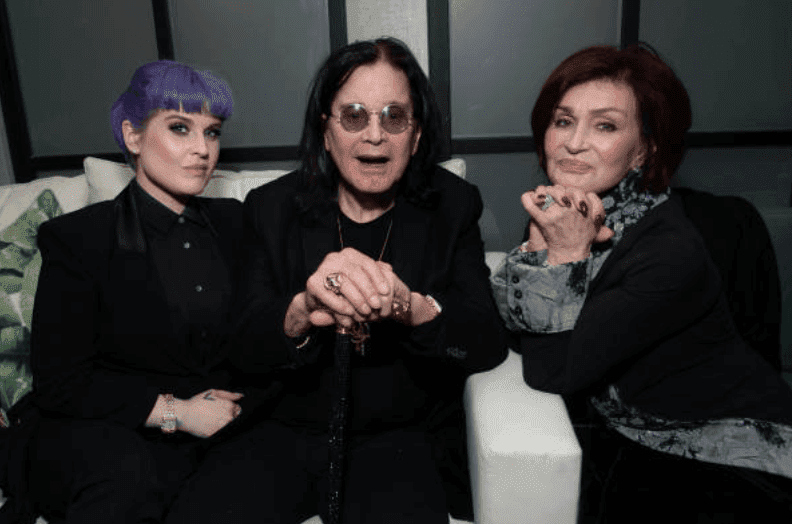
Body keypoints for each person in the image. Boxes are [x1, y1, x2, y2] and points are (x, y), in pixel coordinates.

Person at [165, 37, 507, 524]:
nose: (374, 136)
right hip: (280, 430)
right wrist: (302, 310)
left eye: (394, 116)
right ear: (326, 133)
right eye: (353, 116)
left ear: (415, 135)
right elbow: (242, 344)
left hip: (397, 440)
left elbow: (484, 341)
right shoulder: (270, 208)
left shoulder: (453, 206)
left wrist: (412, 307)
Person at [491, 43, 792, 523]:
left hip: (728, 453)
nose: (573, 143)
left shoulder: (670, 249)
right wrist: (548, 249)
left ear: (643, 150)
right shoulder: (572, 211)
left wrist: (564, 254)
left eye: (605, 125)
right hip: (639, 435)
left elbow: (552, 372)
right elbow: (516, 328)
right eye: (563, 121)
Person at [25, 60, 260, 523]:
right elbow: (61, 382)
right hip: (103, 431)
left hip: (208, 435)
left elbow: (256, 334)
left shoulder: (235, 222)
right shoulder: (78, 239)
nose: (202, 150)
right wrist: (176, 413)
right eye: (180, 128)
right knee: (127, 476)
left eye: (212, 132)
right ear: (133, 137)